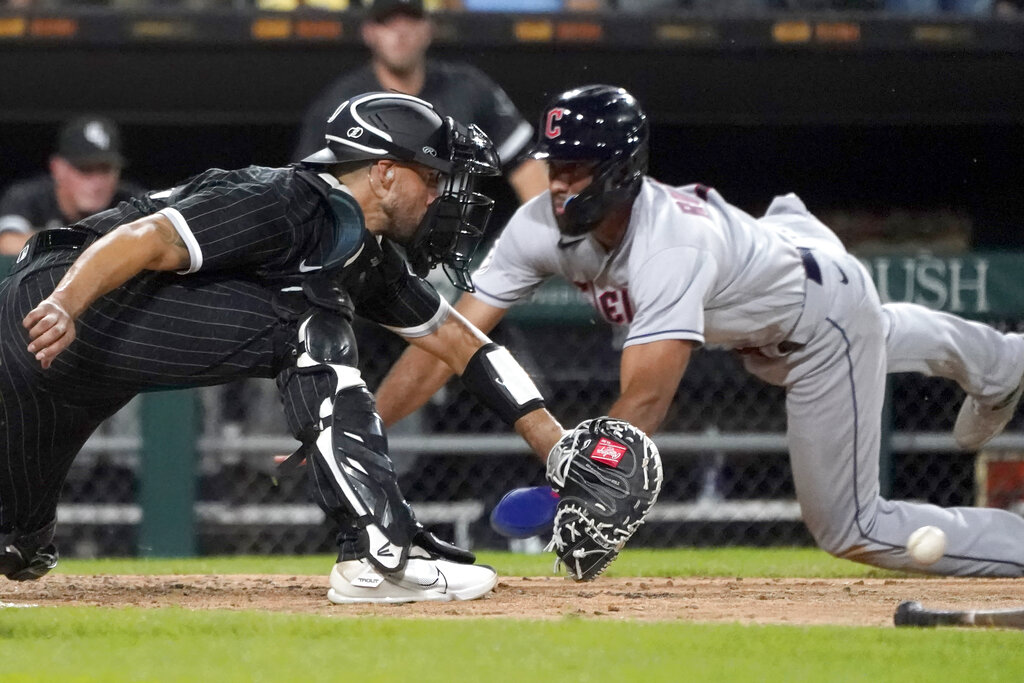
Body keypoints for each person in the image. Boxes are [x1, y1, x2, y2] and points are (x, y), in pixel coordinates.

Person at [374, 84, 1024, 577]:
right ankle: (997, 361)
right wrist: (363, 425)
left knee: (851, 527)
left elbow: (648, 398)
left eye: (578, 168)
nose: (561, 183)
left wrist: (590, 486)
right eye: (555, 165)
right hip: (779, 272)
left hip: (818, 316)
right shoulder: (539, 225)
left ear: (623, 168)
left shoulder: (668, 245)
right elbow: (448, 338)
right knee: (844, 332)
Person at [0, 92, 571, 603]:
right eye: (433, 176)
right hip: (59, 304)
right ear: (386, 173)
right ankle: (379, 554)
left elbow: (458, 340)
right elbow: (144, 237)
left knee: (18, 546)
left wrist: (556, 446)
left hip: (78, 365)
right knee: (306, 321)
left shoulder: (362, 250)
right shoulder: (284, 198)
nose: (441, 196)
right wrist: (65, 302)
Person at [293, 0, 548, 204]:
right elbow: (306, 189)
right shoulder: (340, 103)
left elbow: (526, 165)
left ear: (428, 29)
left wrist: (544, 239)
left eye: (410, 21)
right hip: (369, 252)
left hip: (455, 249)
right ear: (369, 33)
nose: (401, 33)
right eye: (388, 23)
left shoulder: (468, 87)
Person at [0, 116, 144, 256]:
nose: (97, 183)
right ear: (57, 168)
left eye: (105, 170)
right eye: (85, 170)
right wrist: (82, 241)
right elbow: (7, 243)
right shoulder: (27, 197)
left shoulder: (131, 202)